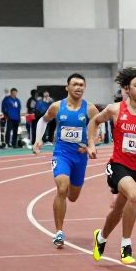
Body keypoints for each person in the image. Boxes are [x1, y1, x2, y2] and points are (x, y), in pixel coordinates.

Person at [87, 67, 136, 265]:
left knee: (118, 210)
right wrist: (91, 143)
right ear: (127, 89)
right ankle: (126, 245)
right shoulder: (115, 109)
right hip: (118, 165)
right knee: (135, 196)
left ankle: (101, 238)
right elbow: (94, 121)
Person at [33, 73, 99, 249]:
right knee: (62, 188)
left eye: (82, 85)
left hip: (80, 156)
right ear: (67, 87)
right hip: (61, 153)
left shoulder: (90, 109)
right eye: (75, 84)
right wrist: (38, 140)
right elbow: (43, 120)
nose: (78, 87)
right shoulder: (57, 107)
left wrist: (91, 145)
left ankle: (69, 189)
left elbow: (100, 129)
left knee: (73, 196)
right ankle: (59, 232)